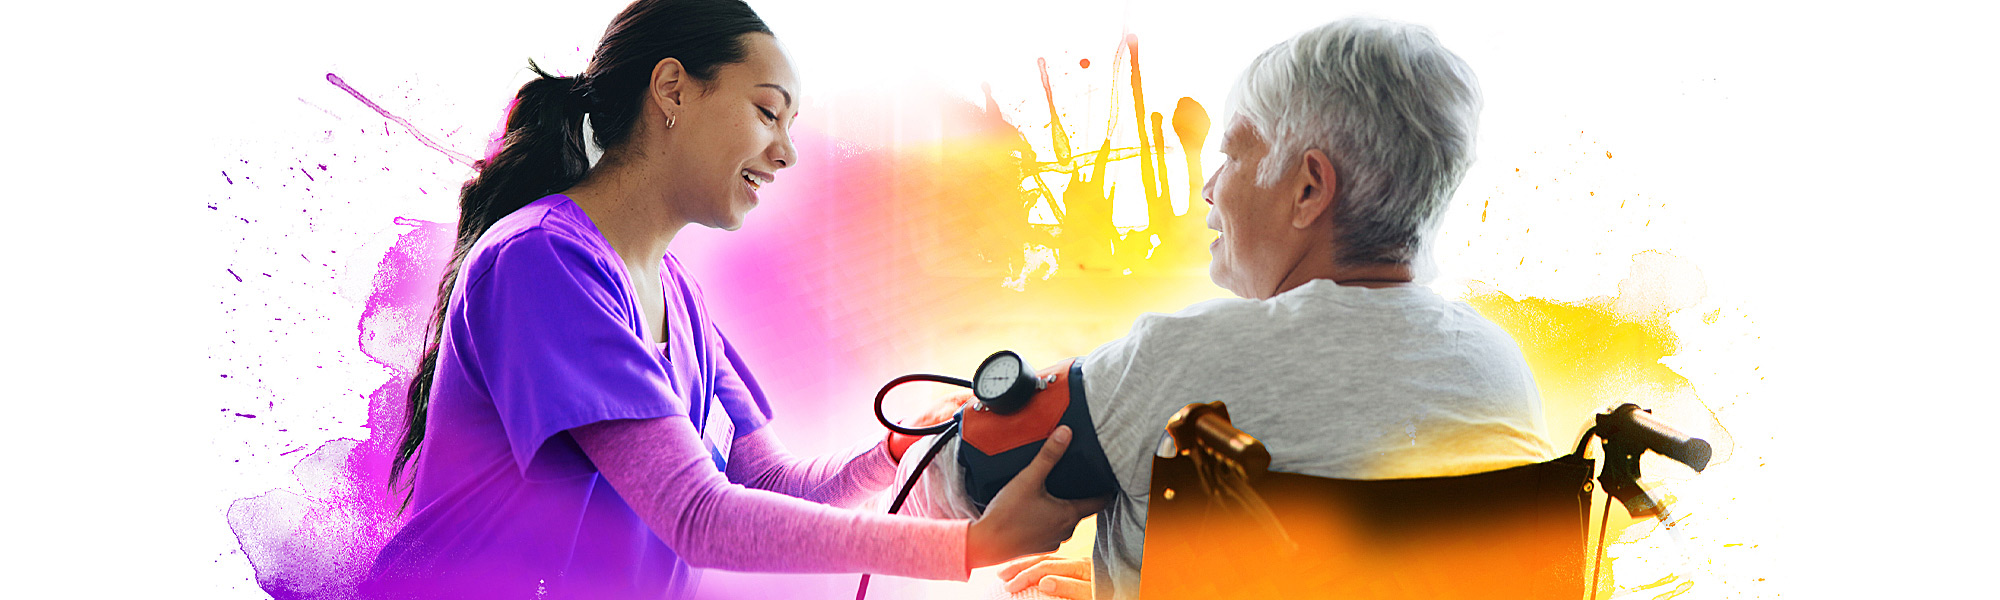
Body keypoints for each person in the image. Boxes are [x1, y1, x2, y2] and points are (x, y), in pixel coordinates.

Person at [361, 1, 1105, 598]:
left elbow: (773, 486)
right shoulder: (543, 261)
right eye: (767, 111)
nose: (786, 151)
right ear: (674, 90)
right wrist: (971, 549)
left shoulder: (680, 299)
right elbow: (697, 515)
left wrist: (896, 449)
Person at [895, 17, 1556, 599]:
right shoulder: (1499, 369)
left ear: (1307, 188)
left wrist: (918, 439)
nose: (1209, 188)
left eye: (1234, 152)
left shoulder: (1178, 368)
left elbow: (944, 490)